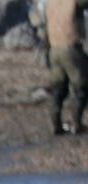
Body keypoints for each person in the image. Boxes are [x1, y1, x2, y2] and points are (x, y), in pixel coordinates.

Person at [41, 0, 88, 134]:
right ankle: (77, 124)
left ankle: (56, 124)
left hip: (54, 49)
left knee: (58, 88)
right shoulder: (73, 2)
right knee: (82, 87)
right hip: (71, 48)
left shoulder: (51, 4)